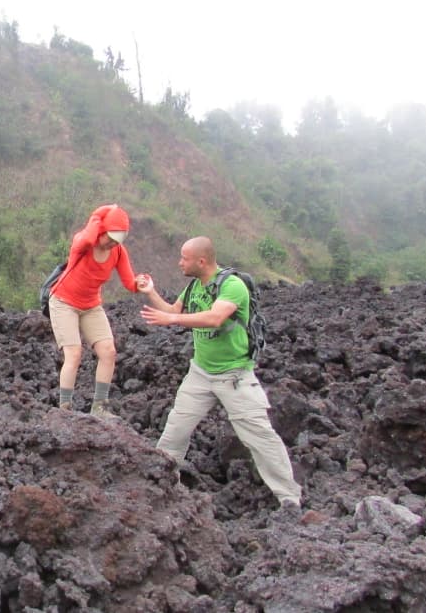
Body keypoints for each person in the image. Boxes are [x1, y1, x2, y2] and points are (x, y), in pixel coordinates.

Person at [137, 236, 302, 510]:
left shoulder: (232, 285)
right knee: (175, 430)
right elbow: (172, 311)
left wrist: (173, 320)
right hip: (200, 373)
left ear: (201, 261)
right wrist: (151, 292)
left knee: (259, 436)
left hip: (234, 376)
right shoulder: (193, 287)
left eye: (184, 258)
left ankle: (289, 498)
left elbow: (215, 317)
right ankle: (160, 486)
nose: (179, 263)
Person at [47, 203, 143, 417]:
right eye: (110, 237)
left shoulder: (117, 251)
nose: (112, 244)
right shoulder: (84, 243)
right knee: (74, 354)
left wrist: (141, 283)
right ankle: (65, 409)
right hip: (64, 302)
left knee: (108, 352)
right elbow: (88, 238)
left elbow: (130, 283)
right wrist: (98, 215)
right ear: (102, 230)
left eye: (117, 240)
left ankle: (99, 407)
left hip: (90, 305)